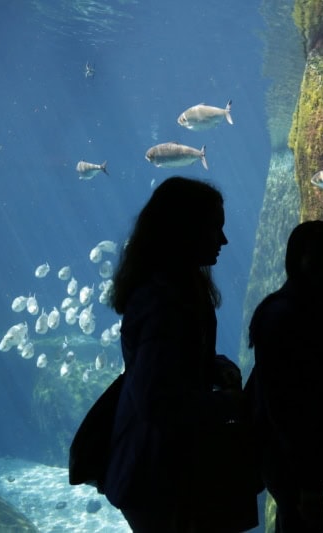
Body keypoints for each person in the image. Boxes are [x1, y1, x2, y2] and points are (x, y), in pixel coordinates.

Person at [103, 176, 259, 532]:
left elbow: (170, 368)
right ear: (185, 229)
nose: (223, 239)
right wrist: (232, 404)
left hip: (158, 468)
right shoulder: (165, 300)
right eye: (214, 228)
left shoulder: (176, 288)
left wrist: (211, 367)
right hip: (157, 472)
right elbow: (156, 401)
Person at [247, 220, 323, 533]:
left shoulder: (315, 308)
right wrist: (307, 472)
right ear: (296, 259)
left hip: (304, 445)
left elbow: (317, 392)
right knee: (300, 517)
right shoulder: (284, 314)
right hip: (288, 450)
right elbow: (282, 404)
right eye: (315, 256)